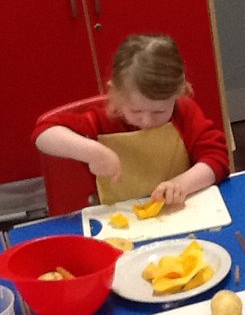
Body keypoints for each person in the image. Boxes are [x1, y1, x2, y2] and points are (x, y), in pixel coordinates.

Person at [32, 34, 229, 206]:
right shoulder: (103, 120)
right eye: (136, 111)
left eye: (159, 112)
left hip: (180, 212)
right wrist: (92, 152)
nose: (146, 121)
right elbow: (43, 133)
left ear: (179, 93)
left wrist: (182, 184)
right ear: (116, 94)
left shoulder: (184, 112)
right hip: (121, 221)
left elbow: (217, 158)